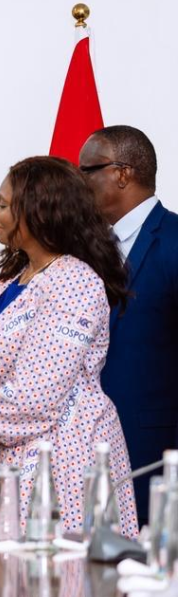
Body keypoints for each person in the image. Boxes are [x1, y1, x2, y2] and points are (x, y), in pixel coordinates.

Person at [0, 156, 138, 538]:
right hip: (3, 456)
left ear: (38, 213)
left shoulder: (74, 282)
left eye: (4, 205)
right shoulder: (13, 279)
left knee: (48, 573)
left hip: (58, 464)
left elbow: (31, 399)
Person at [79, 126, 178, 523]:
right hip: (83, 453)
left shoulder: (173, 242)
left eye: (87, 171)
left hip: (153, 453)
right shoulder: (83, 251)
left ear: (122, 173)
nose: (80, 182)